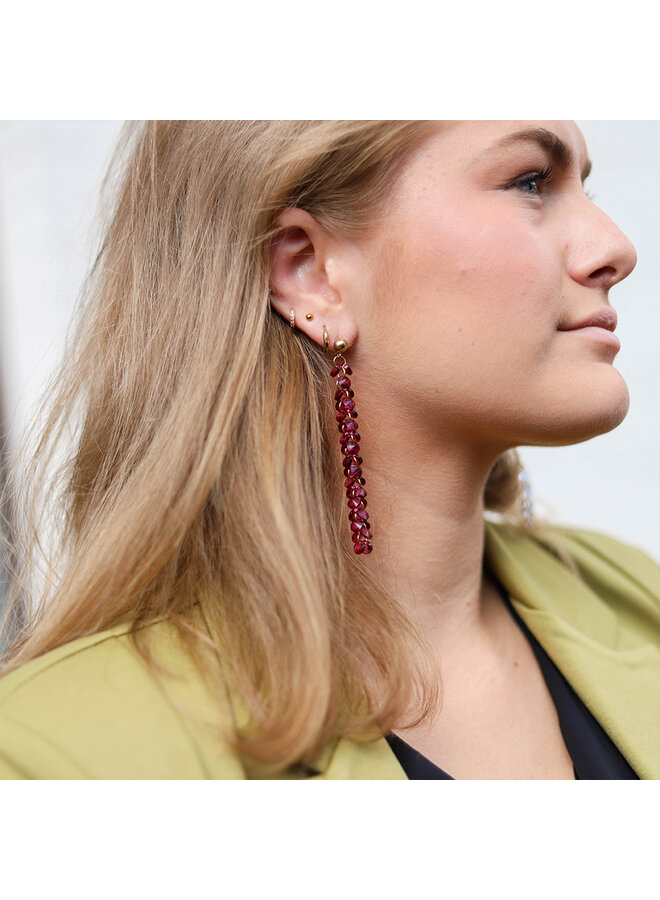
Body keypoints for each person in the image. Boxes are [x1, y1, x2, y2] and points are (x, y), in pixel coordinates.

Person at [0, 120, 658, 780]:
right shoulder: (57, 757)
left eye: (586, 186)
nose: (617, 248)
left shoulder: (638, 599)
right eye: (531, 182)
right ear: (309, 273)